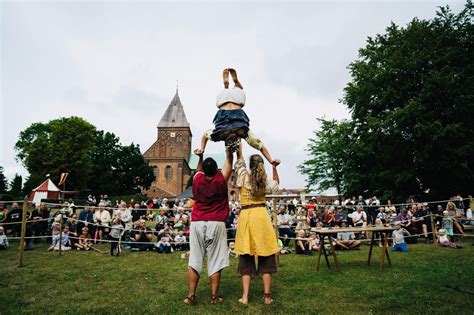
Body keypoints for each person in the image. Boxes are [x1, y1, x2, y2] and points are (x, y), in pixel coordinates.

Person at [197, 68, 280, 166]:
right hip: (223, 102)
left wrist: (271, 161)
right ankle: (226, 86)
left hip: (237, 104)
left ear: (238, 141)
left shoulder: (242, 132)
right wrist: (201, 149)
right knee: (232, 91)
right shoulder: (220, 134)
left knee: (240, 88)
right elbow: (205, 134)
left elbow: (260, 145)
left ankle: (234, 84)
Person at [184, 148, 233, 306]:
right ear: (215, 169)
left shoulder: (197, 179)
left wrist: (200, 156)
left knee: (194, 259)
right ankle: (214, 297)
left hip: (198, 222)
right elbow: (229, 164)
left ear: (204, 170)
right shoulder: (220, 180)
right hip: (217, 222)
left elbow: (198, 169)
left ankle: (191, 296)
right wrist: (229, 151)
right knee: (216, 260)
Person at [234, 144, 280, 305]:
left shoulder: (243, 177)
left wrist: (238, 147)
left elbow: (239, 162)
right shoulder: (265, 181)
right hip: (261, 217)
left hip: (247, 215)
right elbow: (276, 183)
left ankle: (245, 297)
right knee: (266, 255)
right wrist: (274, 166)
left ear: (250, 165)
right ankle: (267, 296)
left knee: (246, 256)